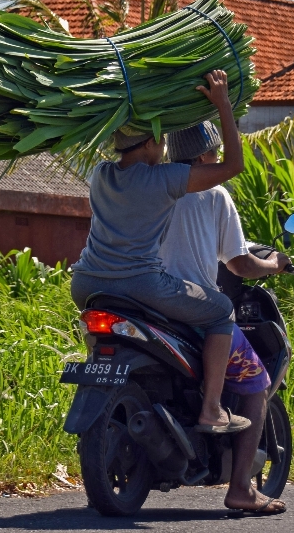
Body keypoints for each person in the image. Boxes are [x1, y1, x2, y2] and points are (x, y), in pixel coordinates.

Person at [70, 70, 249, 434]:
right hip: (139, 285)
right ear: (153, 142)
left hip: (86, 285)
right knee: (221, 311)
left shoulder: (101, 174)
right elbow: (232, 166)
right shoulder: (163, 178)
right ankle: (211, 409)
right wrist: (223, 106)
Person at [159, 120, 289, 515]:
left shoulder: (150, 187)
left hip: (145, 302)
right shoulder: (215, 197)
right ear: (202, 156)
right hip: (191, 309)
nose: (216, 158)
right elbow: (240, 265)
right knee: (255, 383)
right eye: (213, 152)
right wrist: (273, 264)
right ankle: (241, 489)